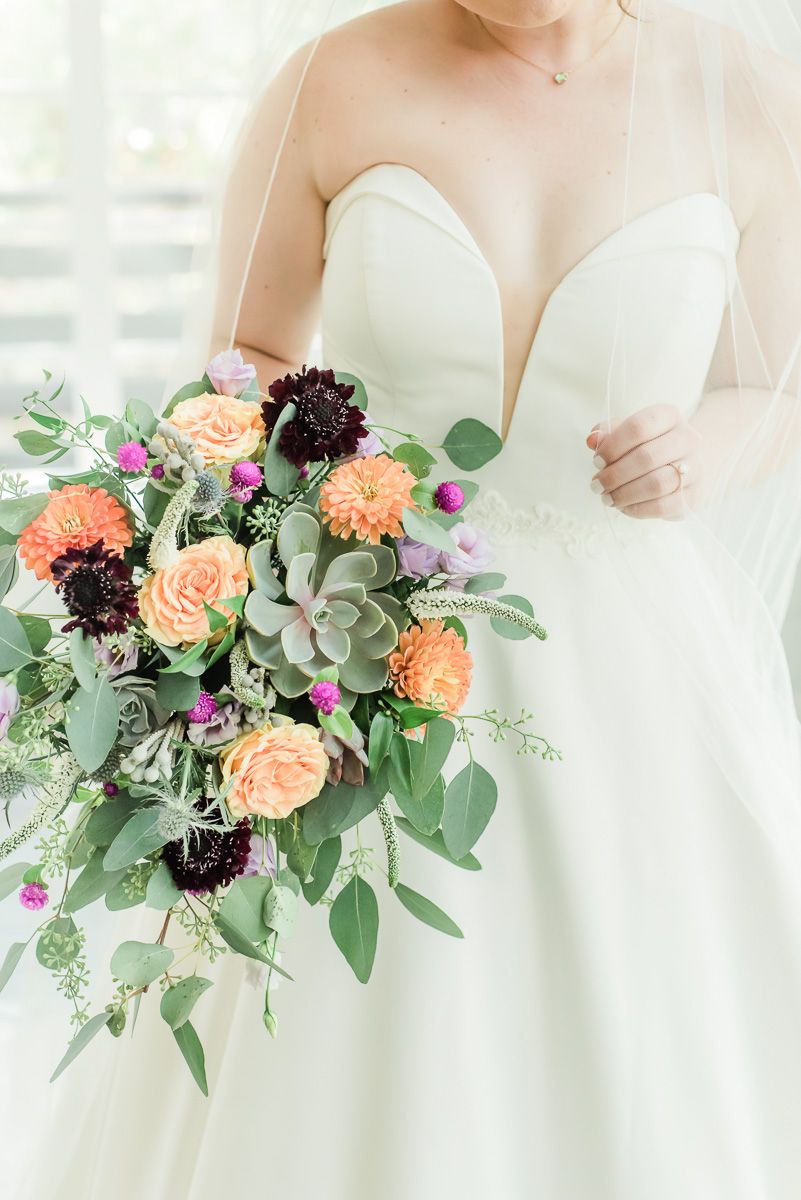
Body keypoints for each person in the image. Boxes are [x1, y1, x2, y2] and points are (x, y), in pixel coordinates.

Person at [14, 1, 801, 1196]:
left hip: (636, 666)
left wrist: (700, 450)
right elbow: (241, 360)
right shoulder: (333, 79)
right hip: (363, 643)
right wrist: (315, 516)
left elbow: (773, 384)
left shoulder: (744, 92)